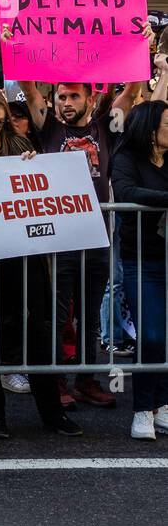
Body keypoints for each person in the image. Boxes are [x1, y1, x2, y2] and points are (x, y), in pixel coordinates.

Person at [0, 88, 80, 439]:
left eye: (3, 122)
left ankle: (51, 410)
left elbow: (37, 185)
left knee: (38, 332)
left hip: (22, 256)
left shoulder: (17, 146)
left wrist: (32, 166)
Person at [18, 77, 142, 408]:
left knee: (89, 315)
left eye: (74, 96)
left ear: (90, 98)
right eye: (61, 97)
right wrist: (13, 43)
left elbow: (131, 92)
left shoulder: (104, 127)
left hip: (97, 237)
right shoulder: (48, 128)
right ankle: (56, 382)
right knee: (57, 315)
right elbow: (29, 89)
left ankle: (86, 379)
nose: (66, 102)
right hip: (59, 239)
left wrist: (139, 48)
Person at [110, 100, 168, 440]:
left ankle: (162, 405)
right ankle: (142, 411)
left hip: (166, 256)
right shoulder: (126, 158)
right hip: (141, 261)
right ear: (149, 130)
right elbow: (127, 191)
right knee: (150, 335)